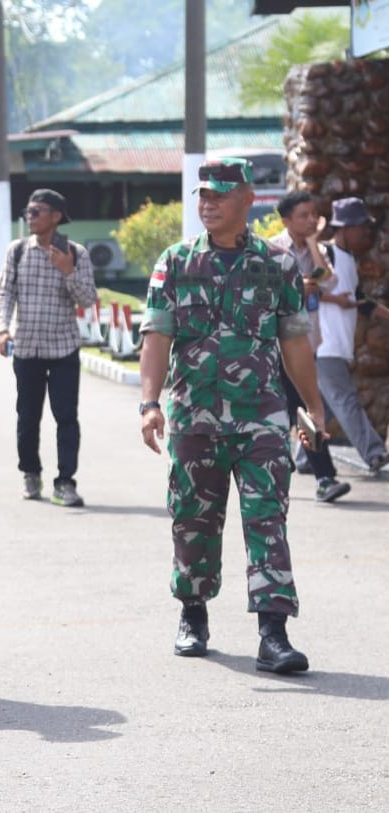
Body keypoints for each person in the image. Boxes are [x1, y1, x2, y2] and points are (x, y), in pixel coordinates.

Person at [138, 158, 321, 675]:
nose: (208, 204)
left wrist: (312, 404)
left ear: (248, 200)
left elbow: (294, 341)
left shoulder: (278, 264)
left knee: (268, 518)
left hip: (262, 416)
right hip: (195, 417)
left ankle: (273, 633)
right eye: (203, 195)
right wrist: (150, 404)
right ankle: (193, 613)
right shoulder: (175, 262)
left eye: (219, 195)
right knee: (193, 522)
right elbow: (157, 337)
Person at [0, 188, 97, 507]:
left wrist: (69, 272)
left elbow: (88, 299)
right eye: (28, 211)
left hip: (63, 350)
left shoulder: (75, 253)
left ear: (55, 216)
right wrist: (2, 329)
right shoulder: (18, 250)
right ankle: (30, 474)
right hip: (26, 350)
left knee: (66, 418)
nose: (30, 217)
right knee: (27, 417)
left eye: (36, 211)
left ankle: (65, 482)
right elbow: (3, 294)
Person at [269, 191, 350, 503]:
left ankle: (294, 468)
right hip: (278, 344)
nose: (310, 220)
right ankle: (324, 477)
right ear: (287, 220)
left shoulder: (317, 249)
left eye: (313, 214)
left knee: (294, 408)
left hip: (307, 342)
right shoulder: (274, 250)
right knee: (298, 409)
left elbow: (329, 280)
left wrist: (315, 242)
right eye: (303, 215)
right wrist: (295, 287)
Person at [316, 197, 389, 473]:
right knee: (346, 400)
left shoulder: (349, 261)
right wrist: (336, 301)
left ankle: (304, 458)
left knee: (325, 409)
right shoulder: (326, 255)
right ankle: (374, 453)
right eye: (360, 226)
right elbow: (309, 288)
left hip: (337, 346)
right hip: (324, 345)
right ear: (344, 228)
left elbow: (361, 301)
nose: (365, 232)